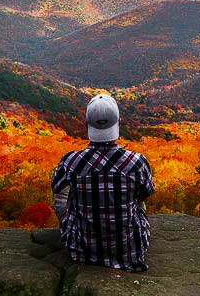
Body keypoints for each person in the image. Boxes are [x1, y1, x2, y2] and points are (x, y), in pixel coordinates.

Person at [50, 93, 155, 273]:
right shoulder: (137, 162)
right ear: (119, 122)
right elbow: (146, 194)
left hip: (81, 251)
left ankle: (84, 228)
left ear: (86, 125)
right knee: (138, 195)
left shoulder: (71, 161)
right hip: (131, 251)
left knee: (63, 193)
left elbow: (56, 187)